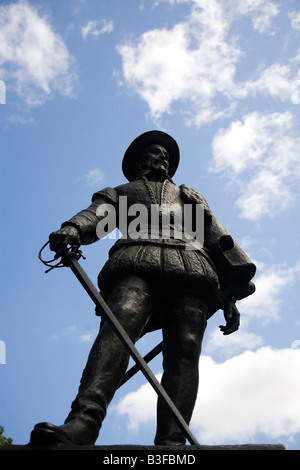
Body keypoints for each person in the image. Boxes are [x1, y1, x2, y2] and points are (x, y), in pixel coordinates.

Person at [30, 131, 256, 446]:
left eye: (166, 154)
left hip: (192, 269)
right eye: (155, 152)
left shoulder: (190, 196)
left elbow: (215, 239)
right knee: (119, 324)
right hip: (137, 261)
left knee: (186, 348)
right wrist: (73, 228)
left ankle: (172, 440)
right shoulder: (123, 192)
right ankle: (82, 423)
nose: (162, 157)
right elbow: (96, 216)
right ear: (139, 160)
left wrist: (230, 294)